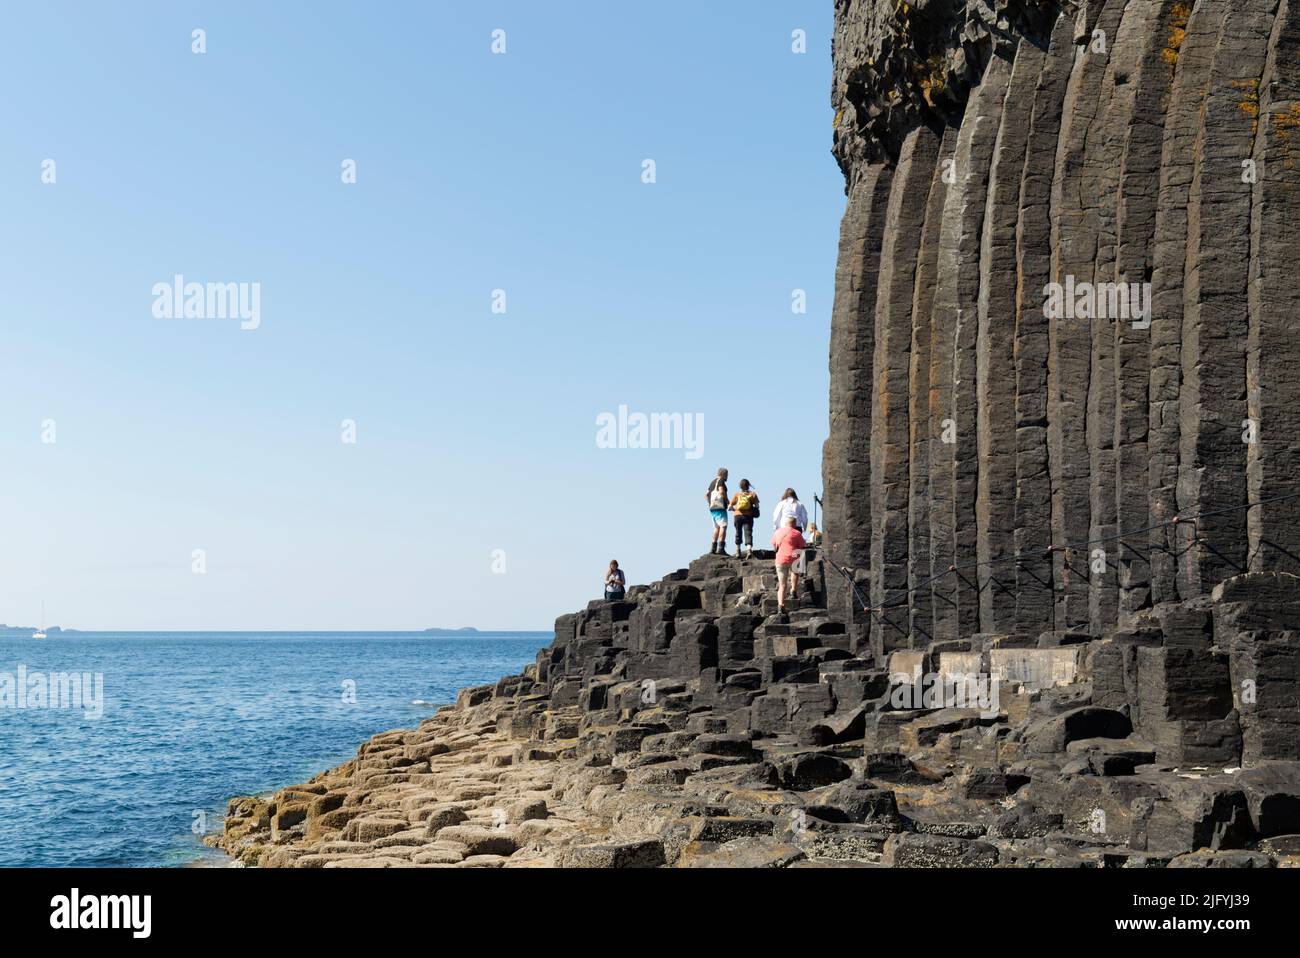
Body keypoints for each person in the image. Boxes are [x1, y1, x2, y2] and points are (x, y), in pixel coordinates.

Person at [771, 516, 807, 613]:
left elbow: (774, 544)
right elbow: (802, 546)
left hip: (780, 559)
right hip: (793, 557)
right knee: (795, 571)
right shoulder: (797, 533)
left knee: (782, 585)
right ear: (794, 524)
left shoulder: (778, 532)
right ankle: (793, 590)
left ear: (785, 523)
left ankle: (781, 606)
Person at [728, 479, 760, 560]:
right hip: (748, 516)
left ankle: (738, 551)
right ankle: (749, 550)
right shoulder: (752, 494)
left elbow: (729, 506)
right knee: (748, 532)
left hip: (737, 516)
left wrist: (735, 510)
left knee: (738, 532)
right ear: (748, 485)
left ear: (740, 486)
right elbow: (757, 506)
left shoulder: (737, 494)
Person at [706, 467, 729, 555]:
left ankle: (713, 548)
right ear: (723, 474)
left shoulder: (712, 482)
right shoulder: (721, 481)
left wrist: (710, 502)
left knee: (716, 527)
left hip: (712, 508)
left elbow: (706, 494)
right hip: (720, 507)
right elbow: (722, 492)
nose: (727, 477)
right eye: (727, 475)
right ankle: (720, 548)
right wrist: (728, 501)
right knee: (723, 526)